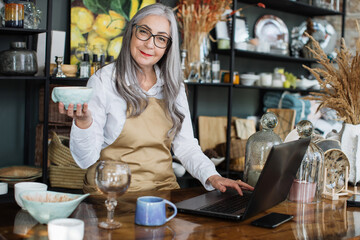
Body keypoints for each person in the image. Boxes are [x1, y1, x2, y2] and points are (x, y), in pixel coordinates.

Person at [58, 3, 253, 195]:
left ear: (168, 47)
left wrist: (213, 177)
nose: (150, 44)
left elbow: (185, 146)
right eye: (144, 32)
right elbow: (85, 160)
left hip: (163, 192)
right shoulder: (103, 81)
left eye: (161, 39)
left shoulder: (173, 85)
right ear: (131, 32)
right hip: (110, 193)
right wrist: (83, 122)